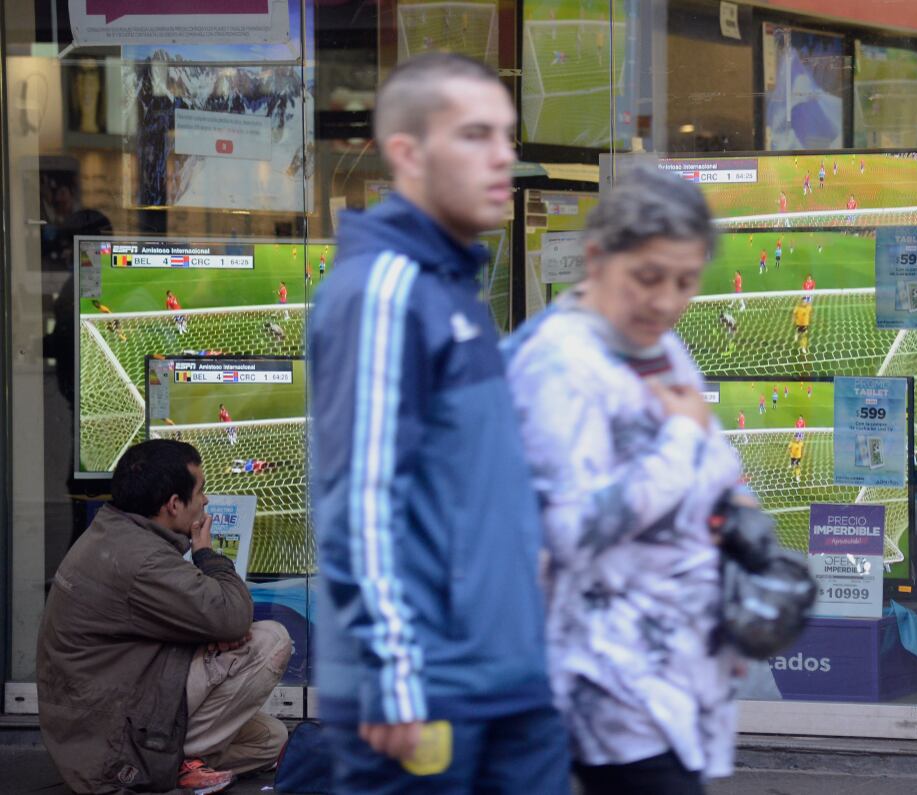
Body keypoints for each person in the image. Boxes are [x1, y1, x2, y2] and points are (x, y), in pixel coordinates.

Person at [308, 54, 568, 794]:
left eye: (508, 135)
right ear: (407, 153)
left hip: (510, 678)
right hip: (428, 692)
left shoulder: (451, 284)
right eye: (476, 135)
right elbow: (358, 500)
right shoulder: (384, 292)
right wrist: (392, 675)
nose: (503, 156)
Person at [505, 167, 744, 795]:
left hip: (671, 675)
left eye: (685, 281)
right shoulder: (558, 366)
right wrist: (683, 440)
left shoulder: (652, 343)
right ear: (596, 258)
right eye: (647, 277)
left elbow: (712, 471)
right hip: (603, 686)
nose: (667, 300)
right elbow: (574, 530)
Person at [37, 439, 292, 795]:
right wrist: (206, 553)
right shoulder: (143, 561)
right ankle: (165, 765)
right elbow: (234, 617)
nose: (205, 500)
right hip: (110, 743)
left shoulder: (115, 532)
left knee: (269, 739)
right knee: (271, 641)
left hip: (106, 710)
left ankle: (180, 764)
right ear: (173, 505)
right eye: (201, 491)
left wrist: (213, 630)